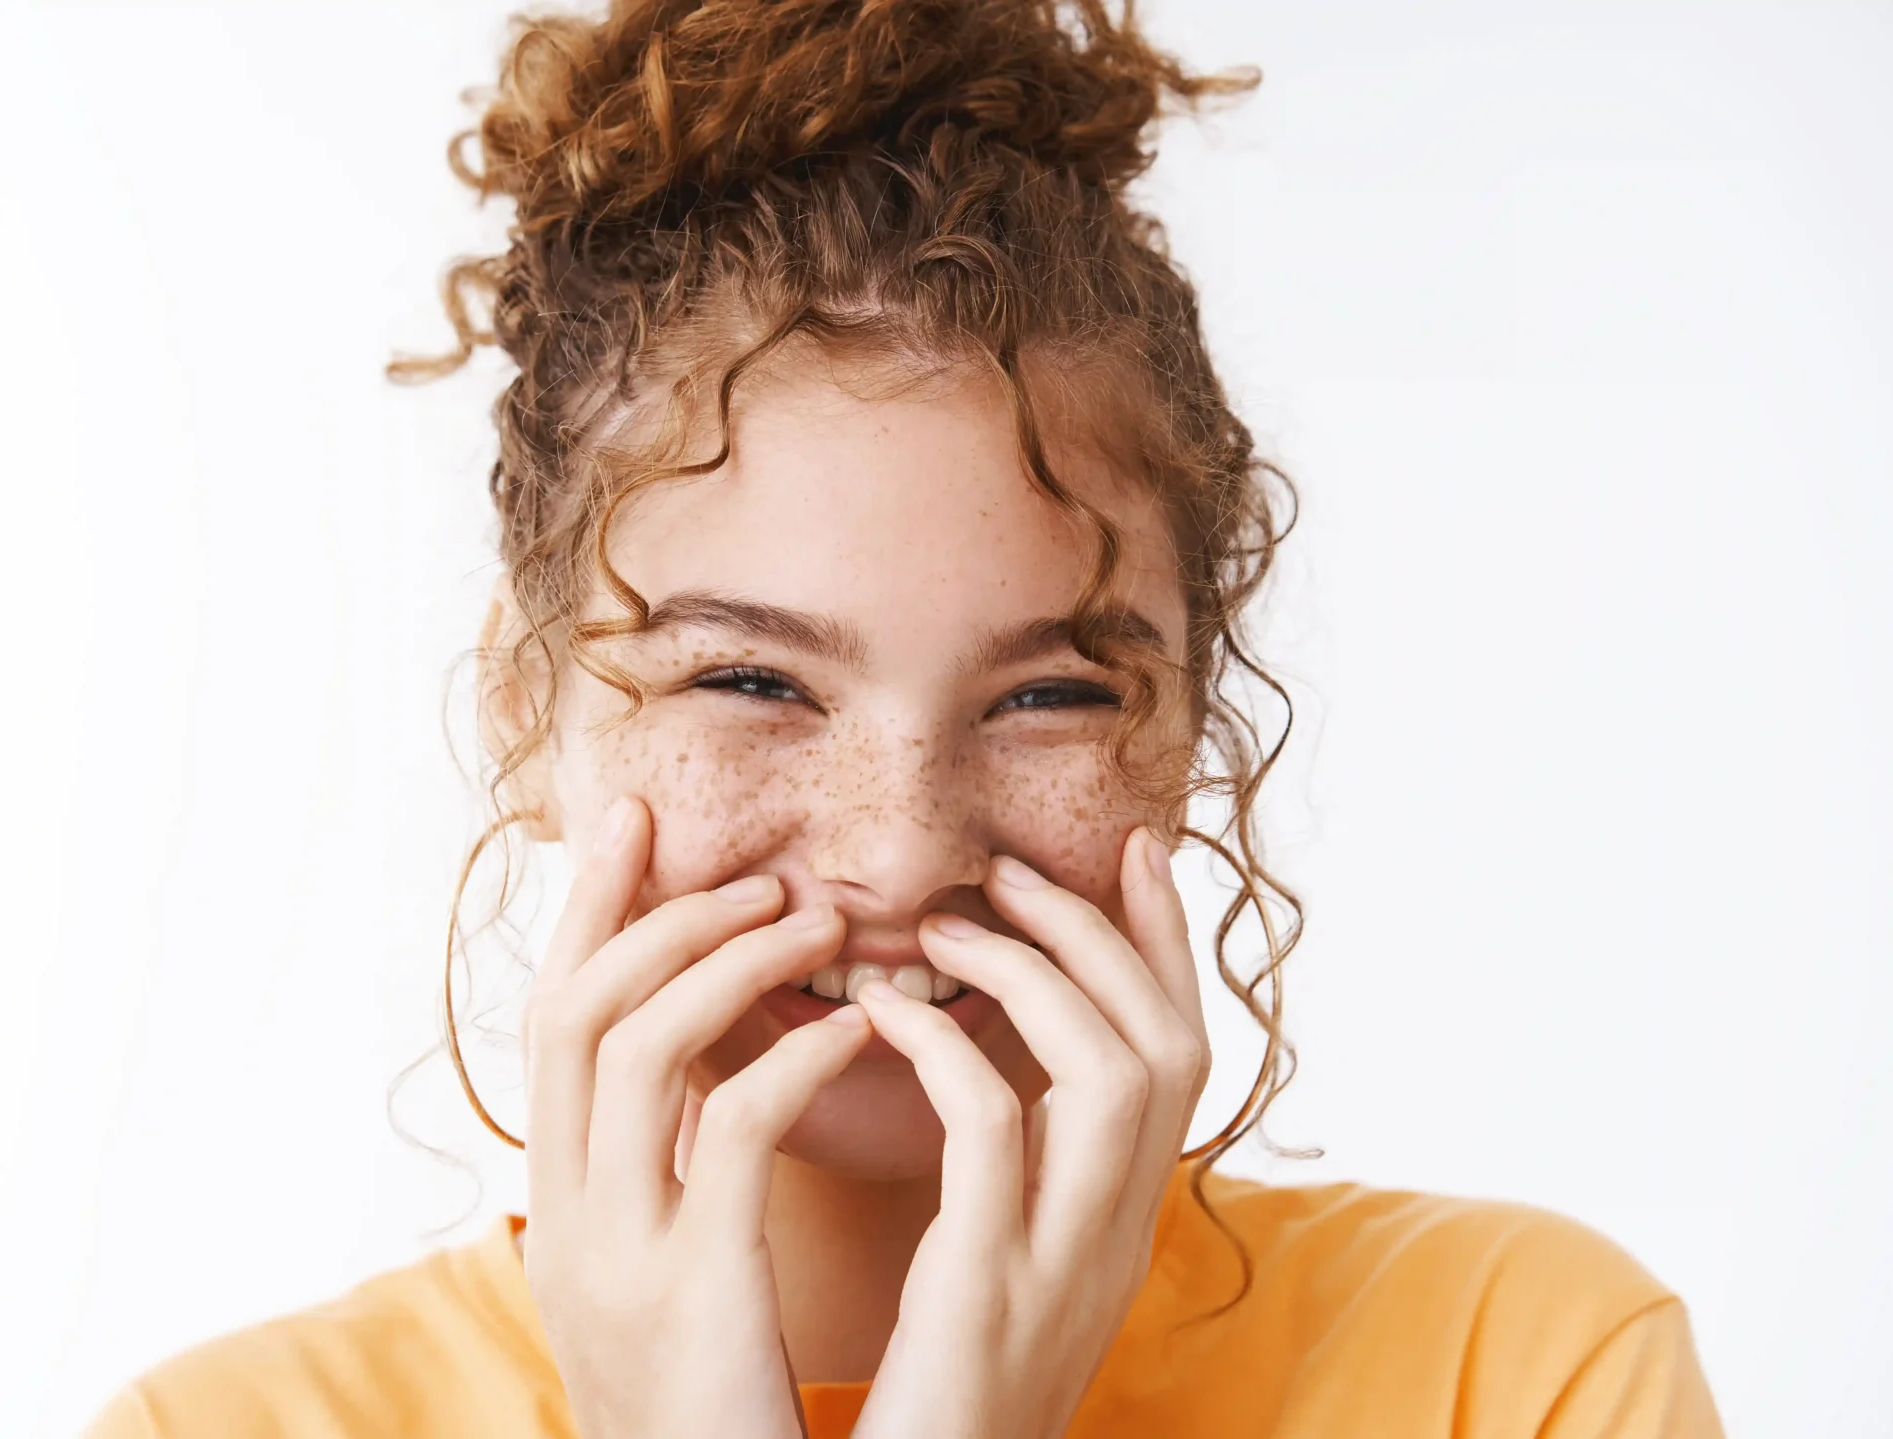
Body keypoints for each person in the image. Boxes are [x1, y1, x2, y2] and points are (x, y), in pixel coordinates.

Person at [85, 1, 1724, 1435]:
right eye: (750, 680)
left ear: (1185, 727)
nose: (900, 852)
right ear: (529, 704)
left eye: (1049, 693)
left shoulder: (1516, 1372)